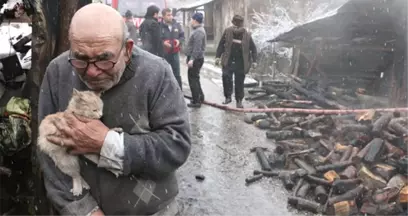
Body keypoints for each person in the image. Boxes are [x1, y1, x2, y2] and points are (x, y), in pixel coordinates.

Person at [37, 3, 191, 216]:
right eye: (80, 58)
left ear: (127, 49)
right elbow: (47, 152)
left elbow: (177, 145)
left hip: (152, 211)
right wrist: (84, 210)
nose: (91, 72)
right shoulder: (58, 71)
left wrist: (108, 144)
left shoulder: (156, 73)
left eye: (104, 59)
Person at [215, 15, 257, 108]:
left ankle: (239, 100)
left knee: (239, 82)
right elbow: (221, 44)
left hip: (241, 62)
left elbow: (253, 49)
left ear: (242, 24)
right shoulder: (227, 31)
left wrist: (254, 61)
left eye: (239, 23)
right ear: (233, 22)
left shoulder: (247, 35)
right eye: (236, 22)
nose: (237, 25)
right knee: (226, 77)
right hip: (228, 60)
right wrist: (218, 57)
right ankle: (228, 97)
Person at [185, 12, 206, 108]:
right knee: (195, 78)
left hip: (196, 58)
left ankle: (196, 101)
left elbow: (197, 48)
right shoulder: (197, 30)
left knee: (192, 79)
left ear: (195, 20)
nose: (190, 21)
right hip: (196, 58)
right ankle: (200, 97)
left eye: (191, 19)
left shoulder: (198, 32)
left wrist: (192, 59)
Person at [161, 8, 185, 89]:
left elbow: (182, 36)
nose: (171, 16)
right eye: (168, 15)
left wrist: (179, 41)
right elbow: (156, 39)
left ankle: (179, 91)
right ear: (163, 16)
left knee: (177, 74)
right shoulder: (159, 26)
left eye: (171, 14)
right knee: (165, 73)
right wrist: (163, 43)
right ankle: (166, 92)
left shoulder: (177, 25)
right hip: (164, 54)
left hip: (175, 53)